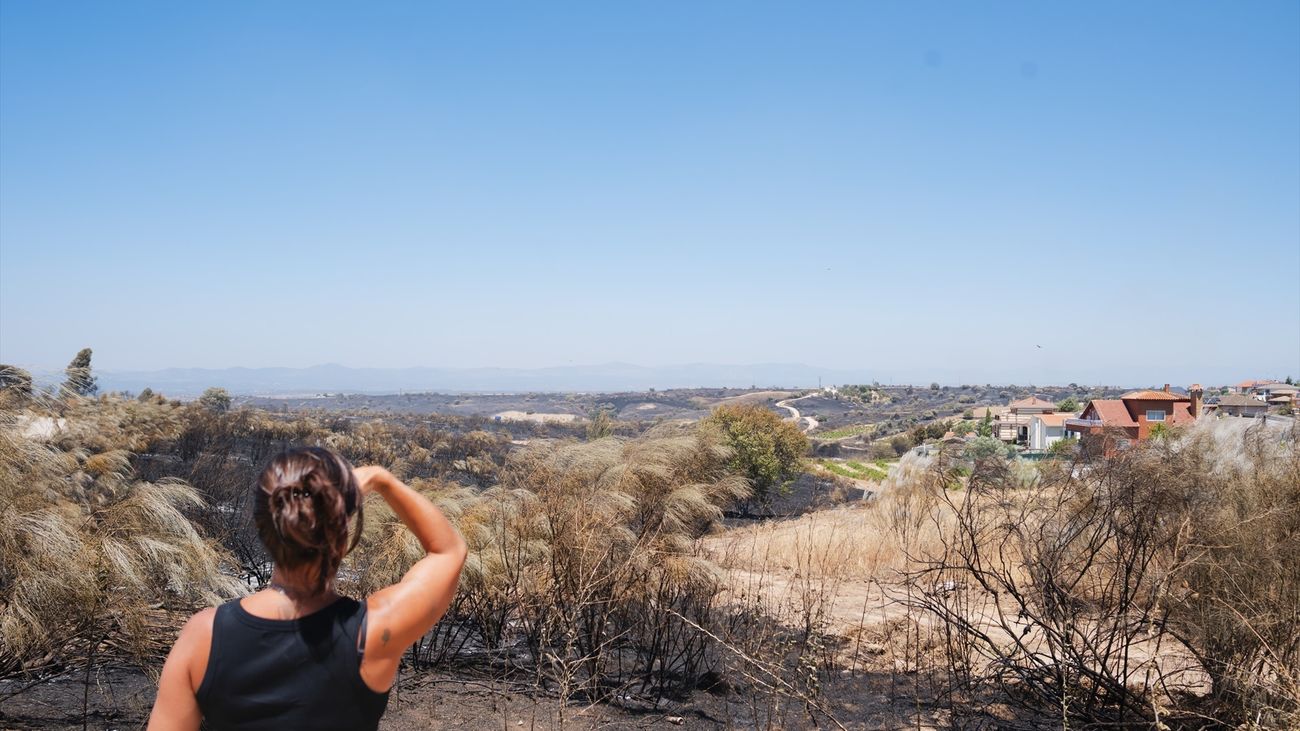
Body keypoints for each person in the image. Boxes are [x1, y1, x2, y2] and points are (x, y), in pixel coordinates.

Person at [147, 447, 466, 730]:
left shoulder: (203, 636)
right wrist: (384, 479)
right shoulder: (373, 632)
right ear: (341, 537)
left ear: (263, 527)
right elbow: (449, 551)